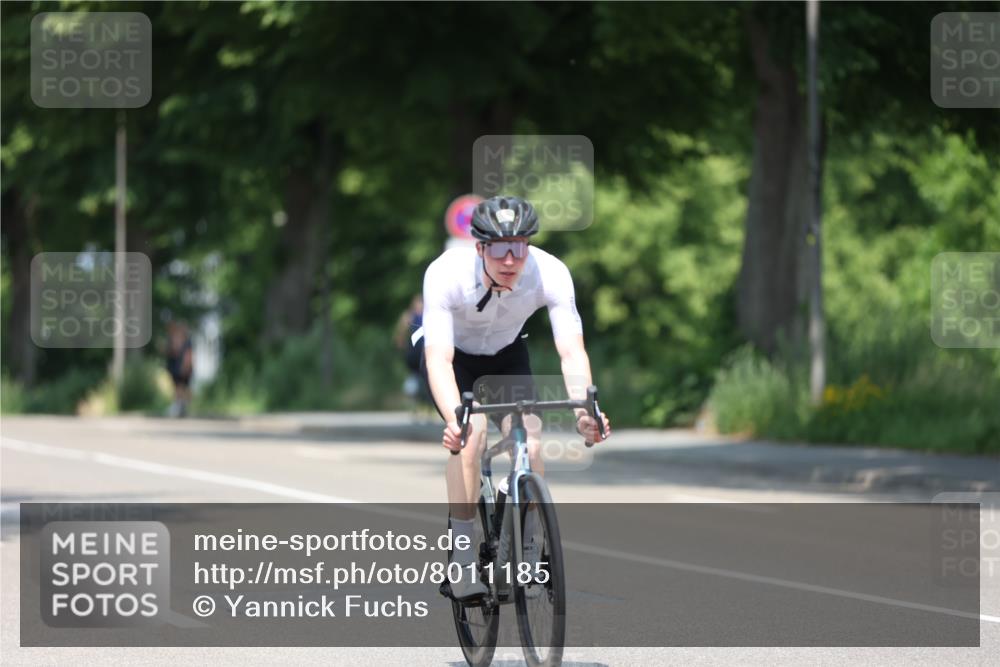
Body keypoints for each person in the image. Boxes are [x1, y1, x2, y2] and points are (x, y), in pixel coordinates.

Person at [416, 195, 611, 599]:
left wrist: (583, 414)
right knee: (470, 437)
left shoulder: (551, 273)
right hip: (454, 358)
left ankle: (527, 549)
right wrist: (455, 421)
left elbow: (571, 352)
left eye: (519, 247)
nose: (510, 259)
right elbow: (438, 359)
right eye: (500, 249)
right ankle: (464, 558)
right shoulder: (445, 274)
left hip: (507, 355)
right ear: (480, 248)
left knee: (532, 441)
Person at [165, 321, 193, 418]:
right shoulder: (176, 340)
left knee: (181, 388)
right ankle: (180, 406)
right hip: (177, 367)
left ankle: (181, 406)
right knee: (179, 387)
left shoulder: (187, 342)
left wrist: (186, 367)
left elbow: (188, 355)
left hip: (182, 368)